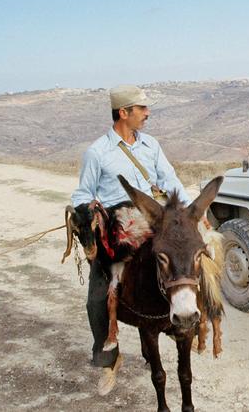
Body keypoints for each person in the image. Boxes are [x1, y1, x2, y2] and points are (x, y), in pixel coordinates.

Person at [71, 85, 191, 395]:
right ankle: (109, 358)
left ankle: (186, 325)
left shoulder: (150, 145)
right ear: (123, 113)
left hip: (155, 220)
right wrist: (89, 213)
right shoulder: (97, 152)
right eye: (141, 109)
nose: (147, 113)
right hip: (119, 227)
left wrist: (191, 213)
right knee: (98, 298)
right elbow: (83, 193)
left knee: (187, 270)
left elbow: (170, 179)